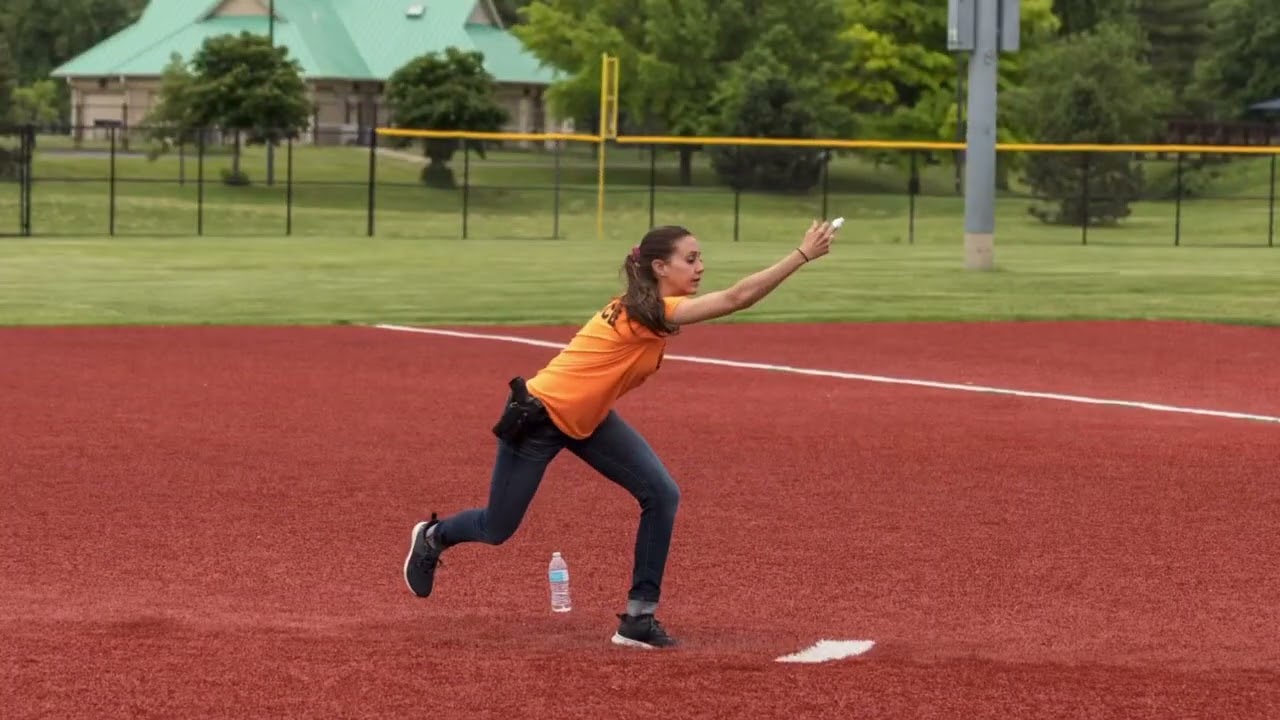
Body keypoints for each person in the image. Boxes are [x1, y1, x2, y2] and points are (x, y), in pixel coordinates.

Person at [403, 219, 839, 649]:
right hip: (539, 418)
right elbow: (737, 297)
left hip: (588, 419)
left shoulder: (649, 308)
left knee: (661, 493)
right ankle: (433, 537)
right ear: (659, 268)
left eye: (700, 257)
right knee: (496, 527)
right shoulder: (645, 312)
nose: (700, 266)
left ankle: (638, 618)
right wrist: (801, 255)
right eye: (690, 259)